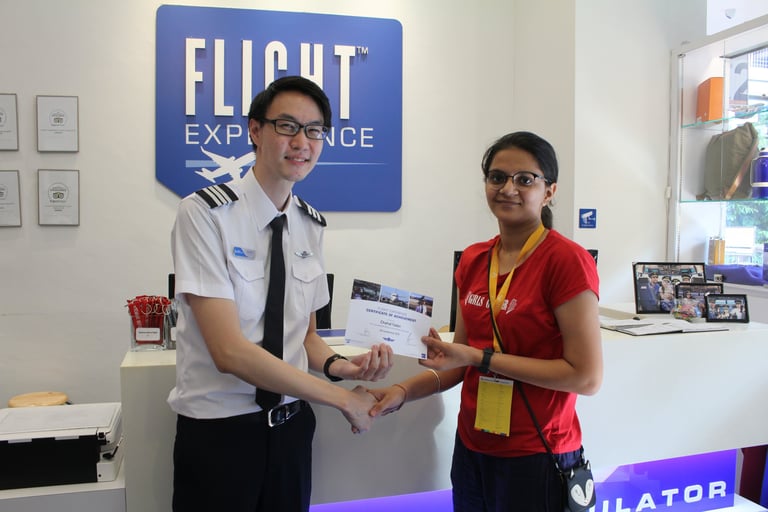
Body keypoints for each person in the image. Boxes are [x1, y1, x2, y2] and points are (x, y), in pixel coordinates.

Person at [168, 76, 393, 512]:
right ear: (255, 130)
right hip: (221, 435)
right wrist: (342, 398)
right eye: (287, 126)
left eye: (314, 131)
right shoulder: (205, 214)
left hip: (291, 431)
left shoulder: (310, 224)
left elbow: (304, 337)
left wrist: (343, 367)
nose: (302, 142)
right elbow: (229, 352)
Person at [368, 131, 603, 510]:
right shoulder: (474, 259)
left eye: (525, 179)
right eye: (497, 177)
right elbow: (459, 363)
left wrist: (481, 357)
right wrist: (402, 392)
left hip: (537, 452)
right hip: (473, 447)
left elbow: (586, 377)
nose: (508, 188)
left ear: (549, 191)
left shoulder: (566, 261)